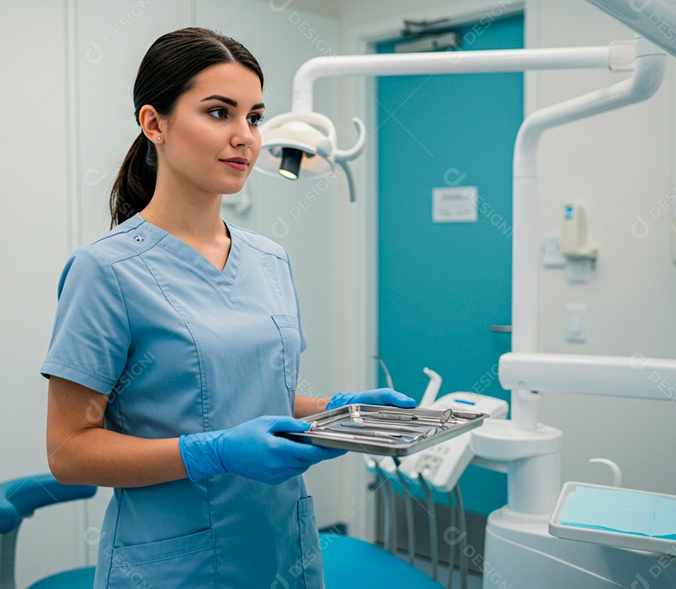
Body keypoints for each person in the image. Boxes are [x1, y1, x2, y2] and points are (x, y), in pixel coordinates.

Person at [42, 27, 415, 589]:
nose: (245, 137)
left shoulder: (269, 258)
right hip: (177, 563)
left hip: (280, 548)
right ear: (154, 123)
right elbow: (71, 450)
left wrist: (340, 416)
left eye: (255, 117)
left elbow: (251, 393)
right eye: (219, 113)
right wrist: (210, 453)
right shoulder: (107, 271)